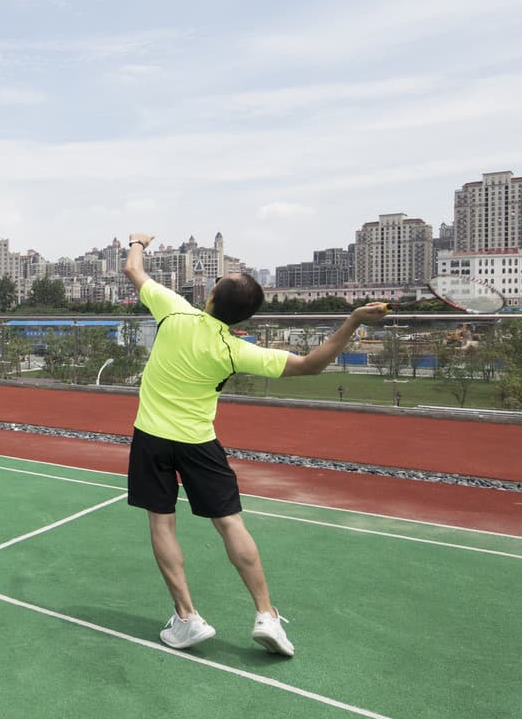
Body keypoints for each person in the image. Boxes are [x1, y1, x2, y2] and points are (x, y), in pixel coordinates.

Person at [122, 232, 387, 657]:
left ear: (210, 297)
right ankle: (266, 615)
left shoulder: (173, 312)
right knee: (230, 524)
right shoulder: (236, 349)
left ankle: (187, 618)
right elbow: (310, 365)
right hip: (200, 444)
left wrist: (138, 240)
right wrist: (353, 320)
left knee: (162, 523)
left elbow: (133, 269)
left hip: (152, 439)